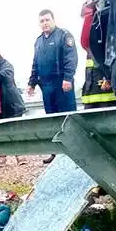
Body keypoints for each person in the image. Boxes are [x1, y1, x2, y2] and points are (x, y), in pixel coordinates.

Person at [27, 9, 79, 164]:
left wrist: (68, 78)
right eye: (42, 21)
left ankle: (75, 150)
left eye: (47, 20)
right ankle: (56, 152)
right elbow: (36, 63)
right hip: (46, 86)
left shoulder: (64, 35)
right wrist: (32, 83)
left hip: (62, 84)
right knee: (52, 118)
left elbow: (71, 58)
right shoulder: (38, 41)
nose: (44, 23)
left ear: (53, 20)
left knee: (68, 117)